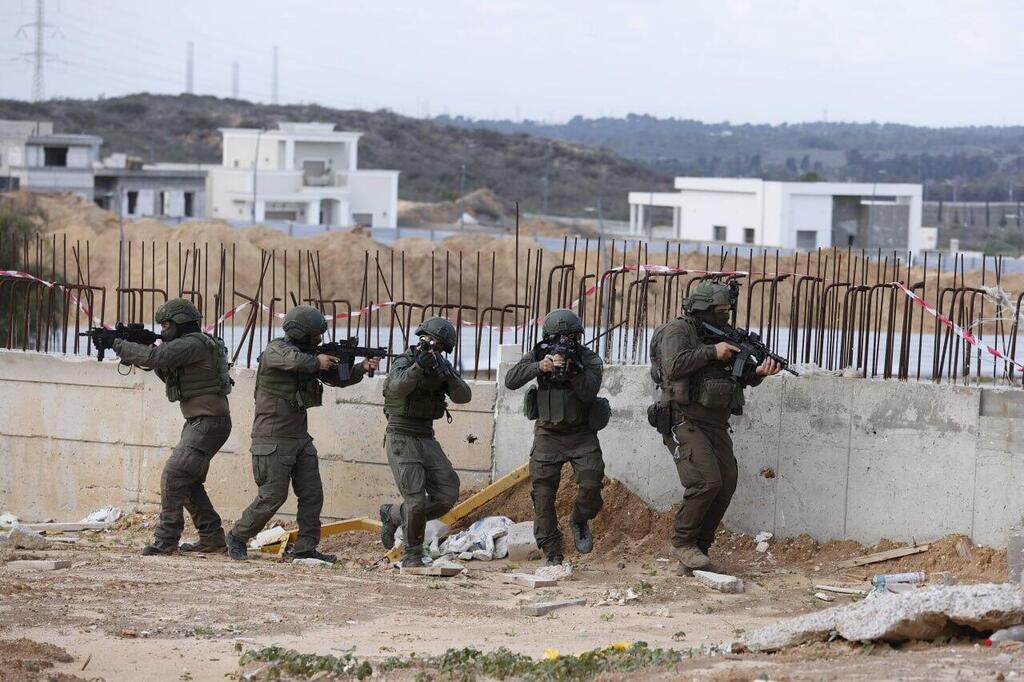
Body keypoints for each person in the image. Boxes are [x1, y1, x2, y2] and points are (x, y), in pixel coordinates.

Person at [226, 305, 379, 562]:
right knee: (273, 496)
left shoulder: (311, 358)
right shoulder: (277, 350)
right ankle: (237, 537)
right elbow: (292, 361)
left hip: (299, 437)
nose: (319, 339)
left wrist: (362, 367)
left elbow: (338, 379)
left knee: (312, 494)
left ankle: (306, 547)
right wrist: (317, 360)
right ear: (303, 333)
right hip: (272, 437)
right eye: (315, 335)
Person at [649, 281, 780, 572]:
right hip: (682, 418)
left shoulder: (724, 334)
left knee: (726, 483)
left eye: (727, 310)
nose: (725, 316)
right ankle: (683, 543)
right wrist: (712, 352)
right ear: (702, 308)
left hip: (716, 423)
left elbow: (736, 375)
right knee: (706, 481)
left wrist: (757, 372)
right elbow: (673, 366)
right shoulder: (679, 330)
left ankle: (699, 551)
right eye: (719, 311)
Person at [109, 298, 233, 556]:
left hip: (208, 422)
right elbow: (164, 367)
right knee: (187, 483)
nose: (163, 329)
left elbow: (155, 357)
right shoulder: (191, 345)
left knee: (174, 476)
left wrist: (118, 344)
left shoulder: (193, 343)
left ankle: (166, 541)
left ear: (180, 323)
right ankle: (212, 539)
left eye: (166, 324)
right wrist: (140, 346)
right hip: (202, 422)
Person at [504, 309, 607, 566]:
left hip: (581, 434)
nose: (565, 342)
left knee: (592, 483)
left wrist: (574, 371)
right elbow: (510, 380)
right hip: (548, 434)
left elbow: (589, 392)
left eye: (570, 337)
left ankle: (579, 519)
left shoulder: (589, 359)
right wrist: (541, 366)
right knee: (542, 494)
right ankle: (552, 550)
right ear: (548, 338)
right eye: (559, 337)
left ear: (578, 337)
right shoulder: (539, 354)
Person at [378, 317, 472, 568]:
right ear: (421, 340)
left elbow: (464, 396)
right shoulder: (405, 361)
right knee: (416, 500)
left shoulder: (442, 367)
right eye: (430, 342)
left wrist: (447, 374)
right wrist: (418, 367)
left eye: (440, 346)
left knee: (447, 493)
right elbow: (396, 387)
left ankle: (393, 514)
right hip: (401, 435)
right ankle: (412, 555)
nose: (434, 348)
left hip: (425, 436)